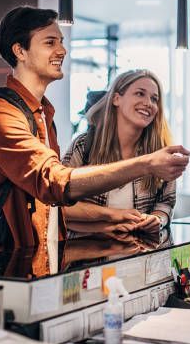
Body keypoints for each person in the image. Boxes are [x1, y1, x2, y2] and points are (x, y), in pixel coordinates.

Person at [0, 6, 190, 249]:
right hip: (4, 265)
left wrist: (110, 221)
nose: (62, 50)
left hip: (39, 260)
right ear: (20, 51)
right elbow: (55, 184)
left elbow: (54, 208)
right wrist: (145, 164)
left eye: (61, 42)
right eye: (50, 42)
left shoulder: (42, 114)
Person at [63, 70, 175, 235]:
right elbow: (57, 203)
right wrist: (112, 219)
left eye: (154, 99)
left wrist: (157, 219)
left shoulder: (160, 153)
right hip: (86, 254)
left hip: (139, 254)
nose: (148, 103)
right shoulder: (84, 145)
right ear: (116, 99)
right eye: (140, 94)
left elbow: (165, 204)